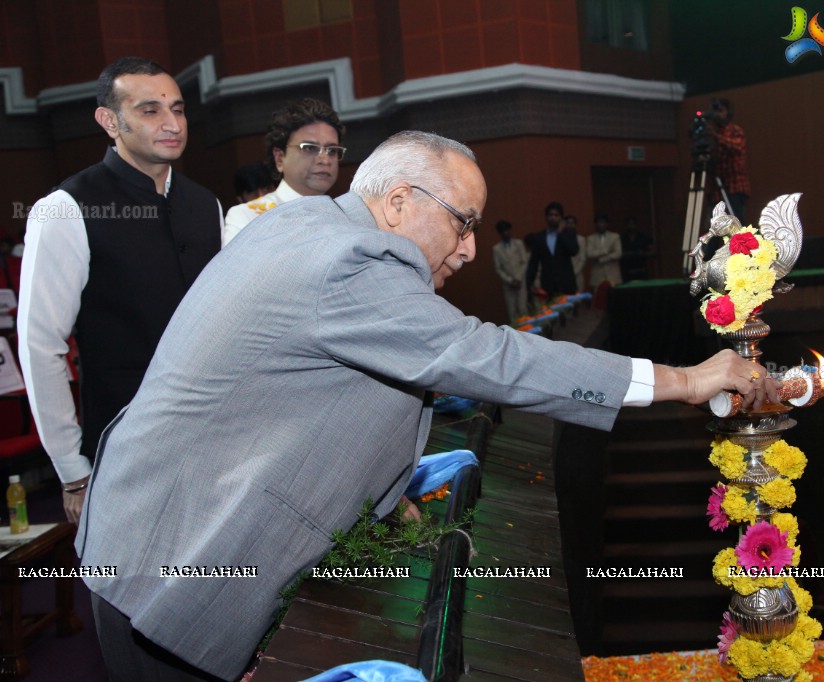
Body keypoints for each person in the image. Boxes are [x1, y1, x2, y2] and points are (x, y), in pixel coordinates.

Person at [75, 131, 777, 682]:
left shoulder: (305, 227)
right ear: (401, 200)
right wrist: (683, 380)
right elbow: (489, 357)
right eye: (462, 223)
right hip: (171, 563)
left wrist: (385, 496)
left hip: (141, 532)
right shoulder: (355, 258)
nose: (471, 249)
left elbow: (314, 396)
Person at [17, 56, 222, 526]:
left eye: (178, 108)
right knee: (127, 592)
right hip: (121, 448)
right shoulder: (65, 208)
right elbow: (41, 347)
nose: (172, 124)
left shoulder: (203, 203)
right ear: (110, 120)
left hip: (213, 440)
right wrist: (72, 471)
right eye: (150, 110)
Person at [223, 98, 346, 244]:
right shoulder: (248, 217)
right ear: (280, 158)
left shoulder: (346, 217)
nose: (324, 160)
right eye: (309, 148)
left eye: (332, 150)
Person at [709, 97, 751, 225]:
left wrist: (716, 137)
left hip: (735, 186)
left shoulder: (735, 131)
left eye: (721, 110)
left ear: (728, 112)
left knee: (737, 222)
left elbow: (737, 147)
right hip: (718, 188)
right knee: (716, 225)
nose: (718, 114)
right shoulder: (712, 133)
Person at [525, 201, 579, 299]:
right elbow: (534, 262)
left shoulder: (569, 233)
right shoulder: (539, 237)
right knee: (550, 313)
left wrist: (560, 233)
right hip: (548, 285)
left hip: (566, 283)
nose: (553, 217)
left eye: (556, 215)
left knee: (569, 313)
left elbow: (574, 251)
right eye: (550, 215)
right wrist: (529, 283)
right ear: (546, 217)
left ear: (561, 218)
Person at [492, 219, 529, 323]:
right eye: (503, 231)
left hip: (520, 281)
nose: (505, 233)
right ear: (499, 233)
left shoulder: (519, 244)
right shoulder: (496, 249)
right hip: (508, 285)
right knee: (512, 312)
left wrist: (518, 278)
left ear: (510, 230)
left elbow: (524, 262)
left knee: (523, 309)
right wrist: (510, 280)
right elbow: (498, 269)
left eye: (507, 230)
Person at [586, 213, 623, 288]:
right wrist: (605, 251)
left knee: (614, 298)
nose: (601, 224)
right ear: (595, 224)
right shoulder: (590, 238)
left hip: (613, 276)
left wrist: (602, 259)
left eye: (603, 222)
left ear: (607, 224)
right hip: (597, 276)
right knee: (599, 298)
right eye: (599, 222)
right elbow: (589, 254)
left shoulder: (615, 236)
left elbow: (618, 253)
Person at [619, 216, 652, 281]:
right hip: (627, 270)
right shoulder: (621, 238)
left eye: (633, 224)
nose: (631, 226)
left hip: (641, 269)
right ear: (626, 226)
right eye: (629, 224)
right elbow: (618, 253)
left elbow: (652, 252)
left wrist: (641, 253)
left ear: (636, 225)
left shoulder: (644, 237)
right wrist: (626, 254)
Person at [566, 214, 587, 293]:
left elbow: (583, 259)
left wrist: (573, 273)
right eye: (568, 223)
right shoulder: (560, 238)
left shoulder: (581, 239)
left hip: (577, 274)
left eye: (572, 223)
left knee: (578, 300)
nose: (570, 225)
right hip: (564, 276)